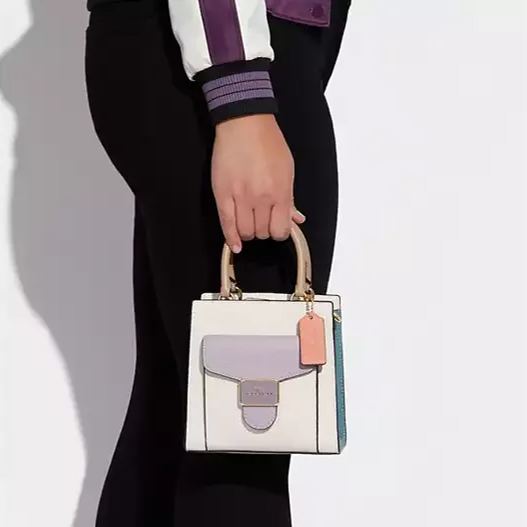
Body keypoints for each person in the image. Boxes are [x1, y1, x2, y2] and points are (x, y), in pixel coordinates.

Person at [84, 0, 351, 525]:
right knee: (243, 447)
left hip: (204, 56)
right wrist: (238, 93)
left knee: (178, 423)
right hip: (225, 64)